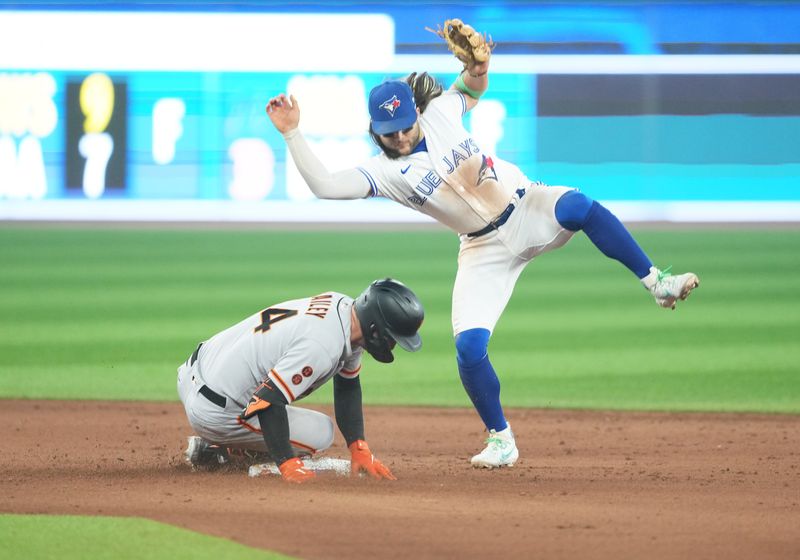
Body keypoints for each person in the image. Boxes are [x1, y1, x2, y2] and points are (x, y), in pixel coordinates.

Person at [265, 44, 699, 470]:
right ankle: (501, 440)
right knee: (469, 348)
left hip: (525, 206)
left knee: (579, 206)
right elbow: (324, 185)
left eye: (403, 124)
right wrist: (291, 132)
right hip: (481, 248)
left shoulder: (438, 113)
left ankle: (657, 282)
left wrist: (479, 63)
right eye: (387, 130)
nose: (398, 135)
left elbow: (472, 86)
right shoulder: (383, 172)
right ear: (374, 129)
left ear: (415, 113)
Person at [177, 278, 424, 483]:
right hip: (213, 410)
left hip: (195, 371)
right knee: (320, 433)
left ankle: (227, 443)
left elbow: (348, 385)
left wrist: (358, 446)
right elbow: (267, 400)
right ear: (374, 328)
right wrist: (287, 462)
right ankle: (222, 451)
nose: (393, 345)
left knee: (274, 398)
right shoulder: (321, 346)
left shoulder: (345, 311)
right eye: (393, 337)